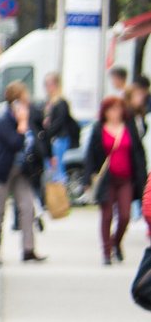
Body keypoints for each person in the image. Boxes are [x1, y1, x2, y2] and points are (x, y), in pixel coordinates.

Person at [0, 82, 46, 264]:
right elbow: (15, 143)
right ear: (15, 101)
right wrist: (22, 124)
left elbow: (36, 140)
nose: (27, 100)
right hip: (1, 171)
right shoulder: (4, 121)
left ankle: (28, 249)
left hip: (21, 171)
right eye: (24, 97)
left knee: (27, 208)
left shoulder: (27, 118)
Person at [86, 96, 146, 264]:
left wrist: (142, 176)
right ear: (105, 112)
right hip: (107, 179)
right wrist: (87, 179)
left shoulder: (129, 127)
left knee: (125, 215)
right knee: (107, 215)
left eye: (118, 109)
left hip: (126, 178)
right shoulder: (98, 129)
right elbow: (90, 155)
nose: (115, 113)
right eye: (111, 109)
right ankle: (106, 252)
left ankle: (116, 242)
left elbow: (138, 153)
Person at [41, 72, 80, 181]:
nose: (48, 88)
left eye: (50, 84)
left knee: (58, 168)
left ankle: (60, 186)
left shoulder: (61, 102)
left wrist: (47, 132)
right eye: (46, 84)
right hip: (51, 139)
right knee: (50, 168)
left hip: (60, 138)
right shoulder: (48, 102)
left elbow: (60, 122)